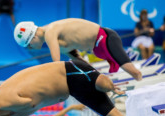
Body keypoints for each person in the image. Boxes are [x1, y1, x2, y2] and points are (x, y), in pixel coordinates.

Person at [13, 18, 142, 81]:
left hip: (105, 38)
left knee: (133, 72)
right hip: (98, 47)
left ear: (34, 36)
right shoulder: (57, 41)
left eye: (29, 45)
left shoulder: (50, 31)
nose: (30, 48)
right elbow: (78, 60)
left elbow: (56, 64)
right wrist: (95, 76)